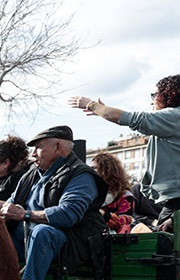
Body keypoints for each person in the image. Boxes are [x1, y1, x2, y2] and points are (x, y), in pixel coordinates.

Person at [0, 125, 107, 280]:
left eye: (38, 148)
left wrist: (25, 215)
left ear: (58, 147)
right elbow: (11, 204)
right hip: (28, 240)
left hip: (69, 244)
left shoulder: (81, 175)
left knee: (43, 232)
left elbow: (68, 214)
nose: (33, 154)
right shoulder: (31, 175)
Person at [69, 74, 180, 230]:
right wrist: (105, 111)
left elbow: (132, 119)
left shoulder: (174, 116)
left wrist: (93, 105)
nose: (152, 101)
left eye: (155, 95)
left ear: (169, 95)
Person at [91, 152, 135, 234]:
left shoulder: (124, 195)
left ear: (107, 170)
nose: (90, 171)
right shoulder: (89, 192)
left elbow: (125, 221)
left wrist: (103, 214)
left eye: (94, 168)